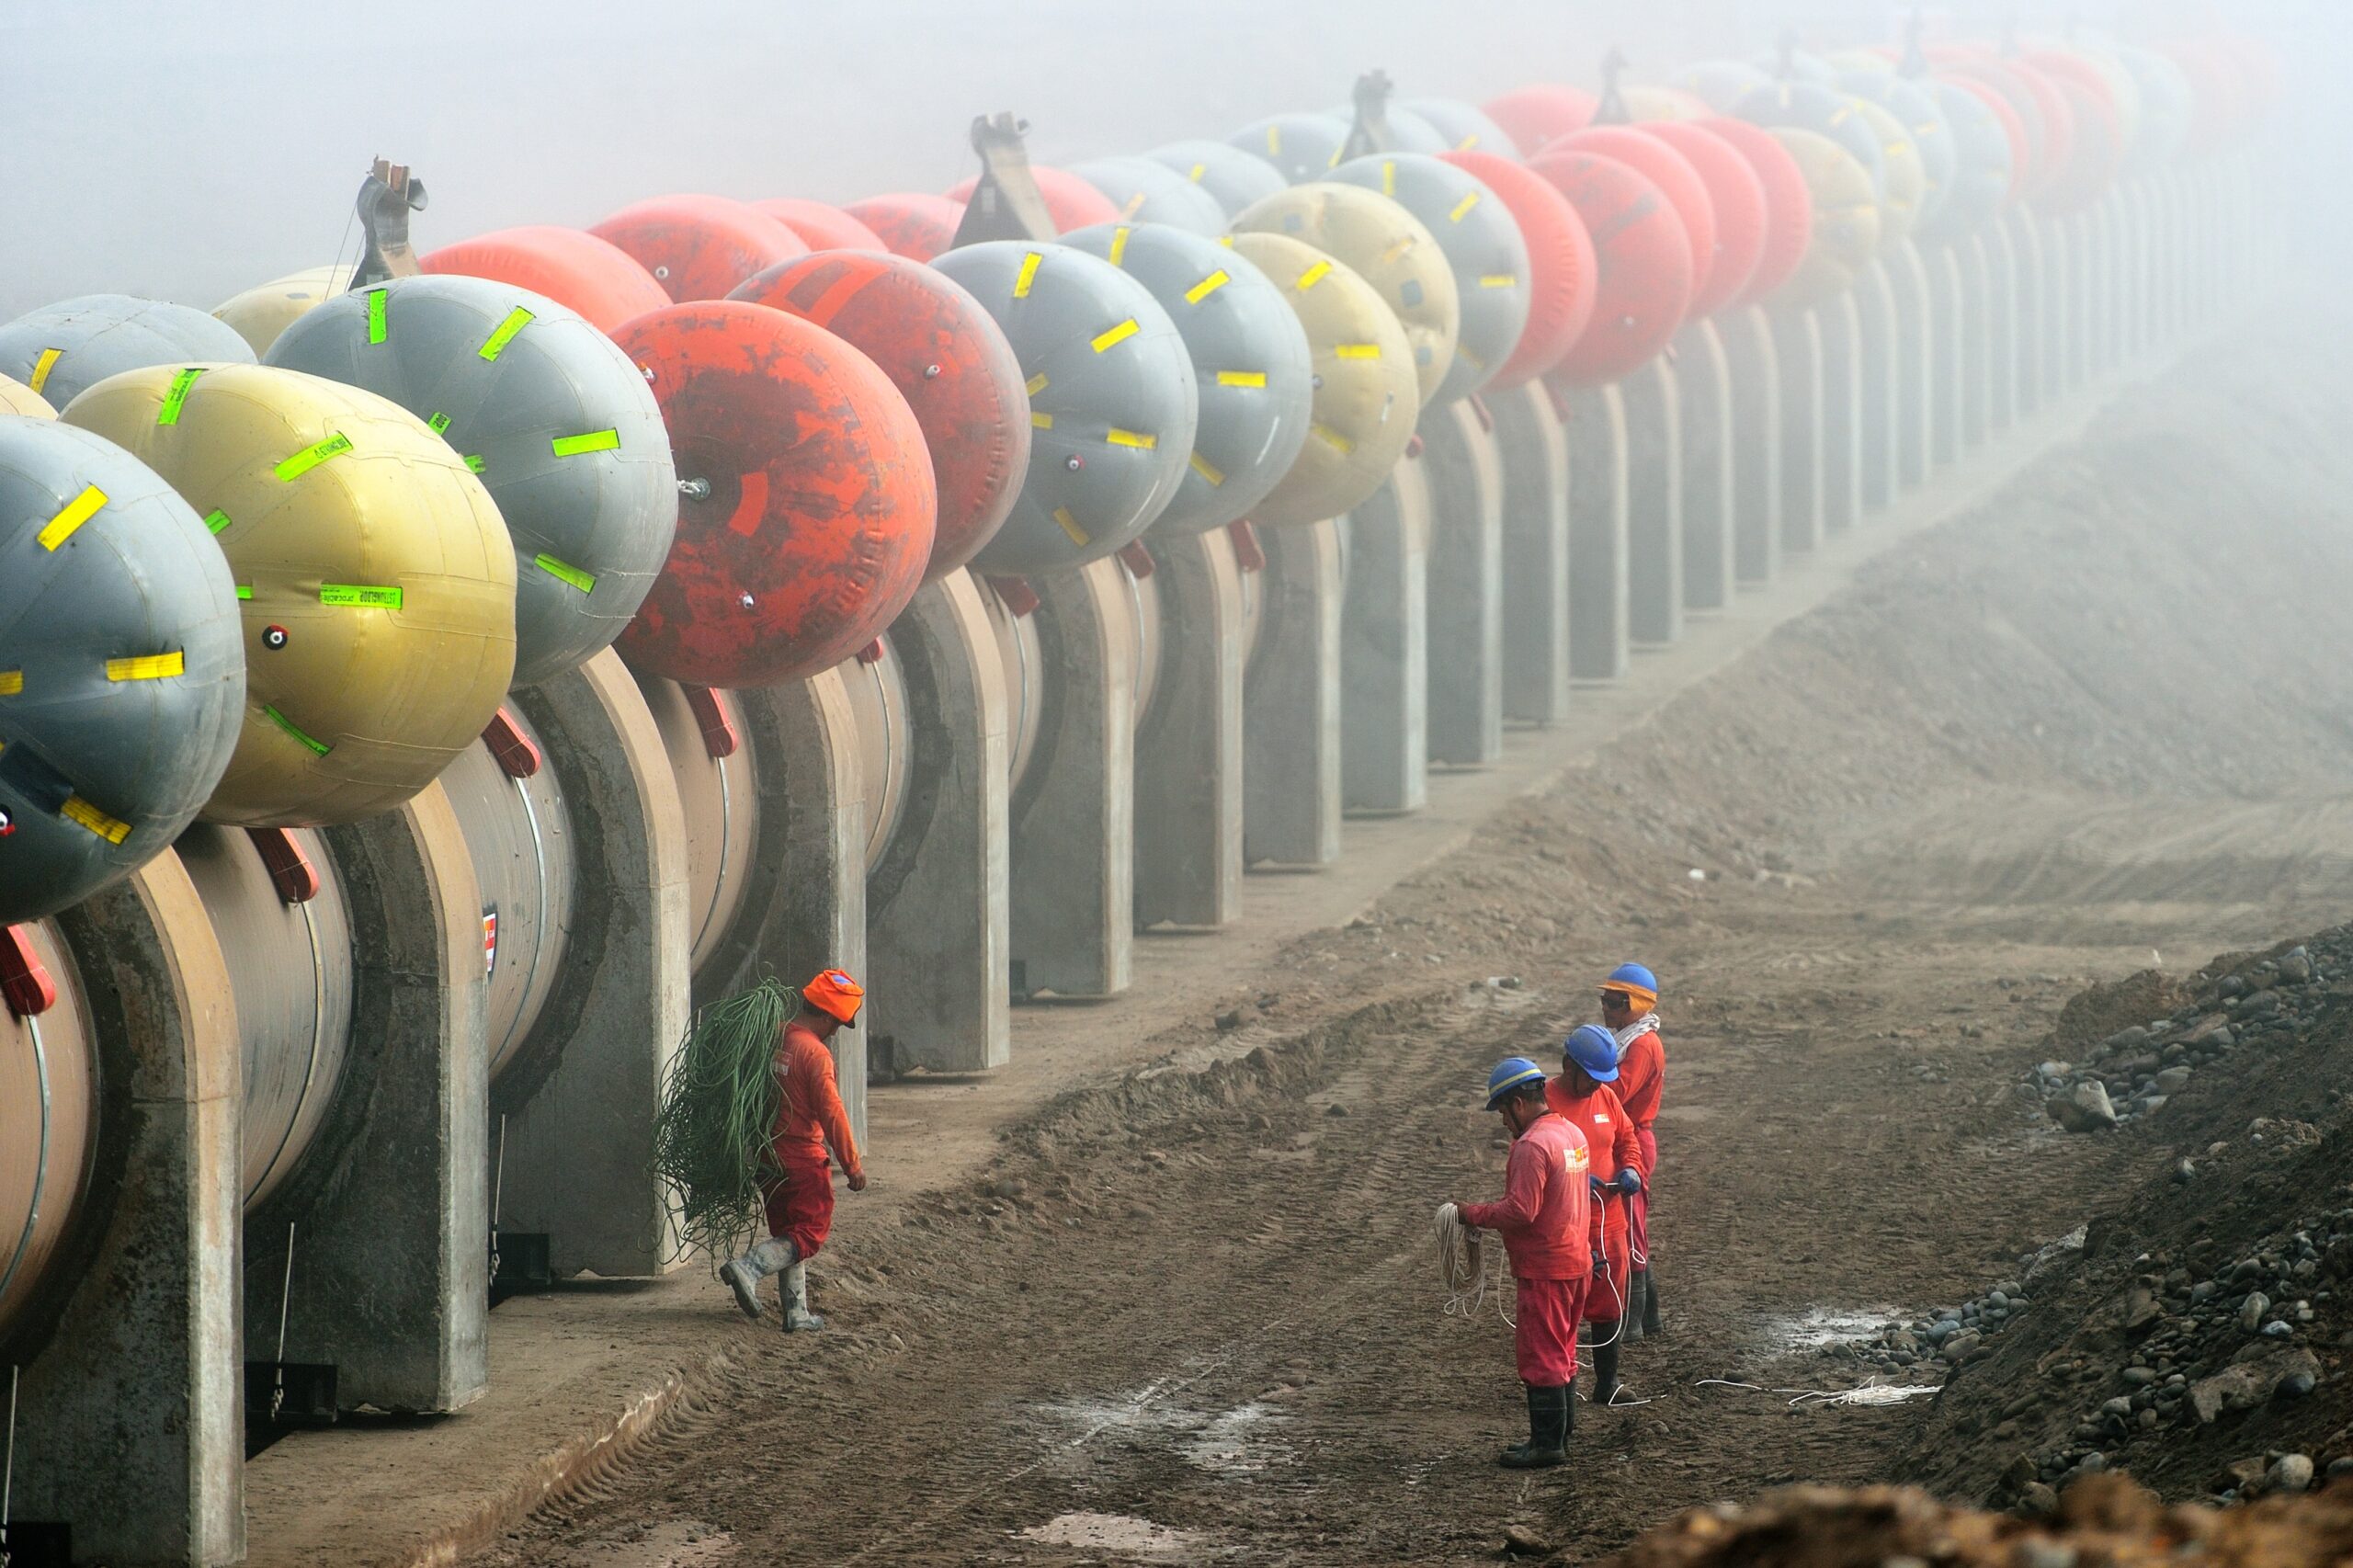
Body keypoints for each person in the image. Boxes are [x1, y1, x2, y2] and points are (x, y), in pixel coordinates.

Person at [1454, 1057, 1594, 1469]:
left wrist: (1471, 1214)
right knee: (1563, 1350)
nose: (1503, 1122)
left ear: (1517, 1103)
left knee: (1542, 1356)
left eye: (1502, 1111)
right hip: (1576, 1262)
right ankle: (1561, 1434)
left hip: (1545, 1268)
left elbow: (1521, 1211)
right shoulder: (1571, 1132)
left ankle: (1547, 1444)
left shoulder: (1533, 1145)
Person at [719, 969, 869, 1331]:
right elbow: (832, 1112)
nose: (836, 1032)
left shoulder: (771, 1037)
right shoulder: (814, 1054)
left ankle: (796, 1311)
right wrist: (852, 1165)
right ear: (827, 1016)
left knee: (790, 1233)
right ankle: (748, 1268)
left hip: (766, 1156)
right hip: (801, 1159)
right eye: (838, 1024)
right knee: (809, 1232)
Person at [1547, 1024, 1647, 1405]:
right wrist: (1572, 1177)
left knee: (1609, 1302)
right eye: (1591, 1077)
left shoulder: (1605, 1097)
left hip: (1609, 1218)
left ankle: (1608, 1383)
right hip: (1565, 1224)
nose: (1596, 1085)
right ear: (1568, 1066)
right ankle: (1563, 1388)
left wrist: (1631, 1168)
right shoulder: (1545, 1101)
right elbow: (1532, 1157)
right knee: (1564, 1307)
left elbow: (1626, 1139)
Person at [1600, 962, 1665, 1339]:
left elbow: (1617, 1094)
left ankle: (1632, 1324)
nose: (1606, 1007)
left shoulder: (1641, 1045)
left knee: (1630, 1230)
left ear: (1635, 1004)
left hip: (1633, 1141)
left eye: (1614, 1001)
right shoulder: (1632, 1038)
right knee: (1632, 1225)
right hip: (1631, 1137)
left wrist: (1581, 1082)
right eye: (1605, 999)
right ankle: (1649, 1319)